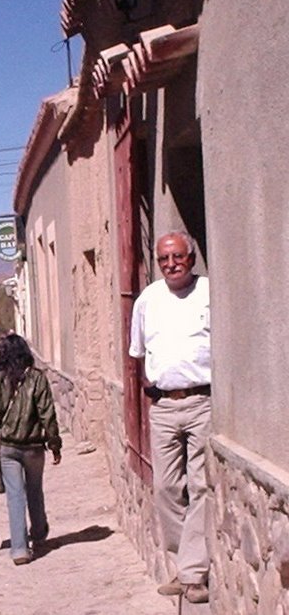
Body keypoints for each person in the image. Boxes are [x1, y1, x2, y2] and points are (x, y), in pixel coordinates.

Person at [128, 231, 211, 605]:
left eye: (177, 257)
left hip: (202, 402)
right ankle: (187, 561)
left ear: (191, 259)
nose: (171, 264)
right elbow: (138, 353)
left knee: (201, 484)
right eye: (164, 259)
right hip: (163, 406)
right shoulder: (148, 300)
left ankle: (191, 574)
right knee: (166, 487)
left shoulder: (209, 292)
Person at [0, 333, 62, 565]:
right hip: (34, 446)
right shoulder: (37, 379)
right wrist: (54, 443)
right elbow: (47, 413)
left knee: (15, 496)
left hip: (8, 446)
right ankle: (38, 535)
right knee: (35, 490)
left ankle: (19, 549)